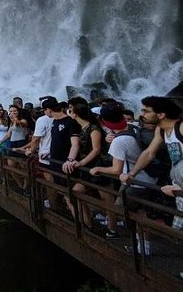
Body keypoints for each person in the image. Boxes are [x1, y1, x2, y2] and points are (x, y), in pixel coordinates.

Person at [90, 106, 158, 244]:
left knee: (119, 211)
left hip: (134, 182)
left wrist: (98, 169)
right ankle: (144, 244)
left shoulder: (119, 141)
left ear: (104, 122)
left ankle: (130, 240)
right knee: (139, 211)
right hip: (150, 178)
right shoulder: (133, 128)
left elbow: (116, 170)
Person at [63, 103, 115, 233]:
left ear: (76, 114)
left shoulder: (94, 128)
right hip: (87, 168)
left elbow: (96, 150)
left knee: (107, 200)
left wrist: (81, 162)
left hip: (98, 166)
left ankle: (112, 229)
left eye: (71, 111)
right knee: (73, 192)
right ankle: (88, 222)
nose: (69, 113)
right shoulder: (82, 127)